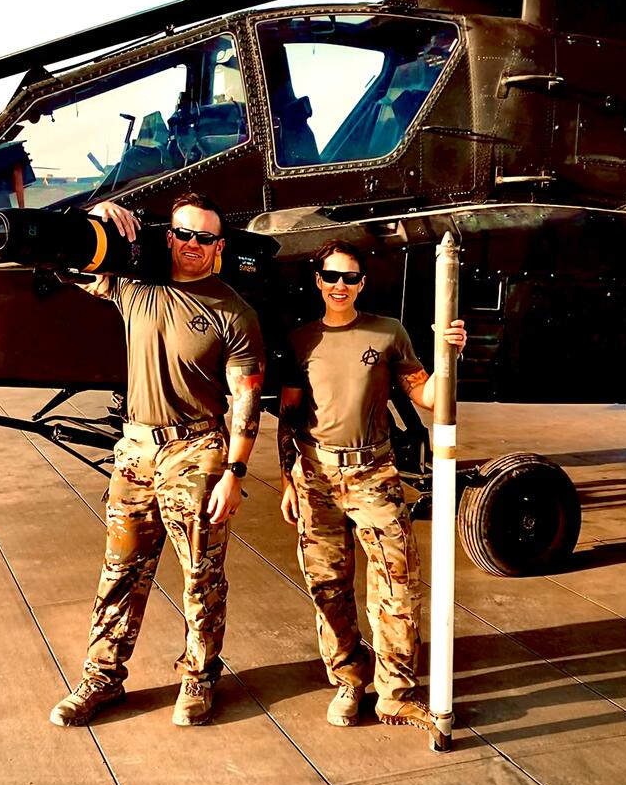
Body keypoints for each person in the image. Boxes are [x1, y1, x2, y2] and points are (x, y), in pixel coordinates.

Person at [50, 191, 265, 729]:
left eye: (206, 238)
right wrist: (92, 219)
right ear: (169, 236)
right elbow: (64, 264)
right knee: (120, 570)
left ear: (219, 246)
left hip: (198, 450)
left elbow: (246, 400)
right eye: (185, 234)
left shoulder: (233, 311)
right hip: (136, 450)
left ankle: (199, 675)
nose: (194, 246)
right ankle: (101, 679)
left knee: (200, 573)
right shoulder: (135, 287)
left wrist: (235, 472)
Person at [278, 239, 466, 730]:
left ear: (362, 283)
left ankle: (395, 693)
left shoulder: (387, 334)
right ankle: (348, 680)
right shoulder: (301, 341)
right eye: (332, 276)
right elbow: (290, 415)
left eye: (350, 278)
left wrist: (450, 356)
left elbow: (425, 394)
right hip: (315, 474)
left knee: (396, 586)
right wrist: (289, 482)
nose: (340, 286)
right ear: (318, 280)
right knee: (327, 588)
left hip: (373, 475)